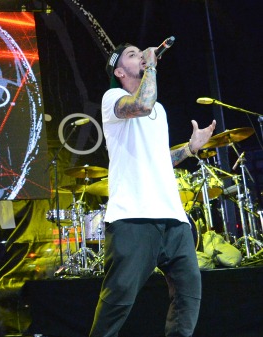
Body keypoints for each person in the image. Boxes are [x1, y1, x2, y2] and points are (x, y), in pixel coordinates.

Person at [89, 43, 216, 337]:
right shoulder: (114, 98)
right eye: (132, 55)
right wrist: (153, 65)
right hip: (133, 218)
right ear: (119, 71)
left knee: (188, 295)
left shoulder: (159, 109)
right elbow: (142, 104)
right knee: (117, 299)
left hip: (173, 217)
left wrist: (189, 149)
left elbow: (160, 158)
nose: (142, 57)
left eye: (141, 53)